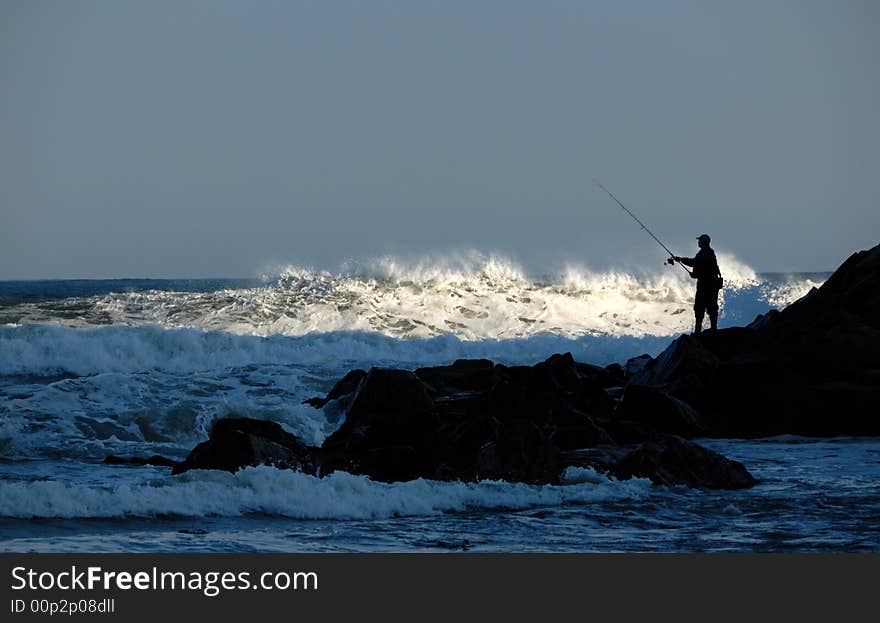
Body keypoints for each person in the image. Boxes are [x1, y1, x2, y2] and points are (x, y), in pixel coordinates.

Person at [669, 234, 722, 334]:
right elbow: (695, 263)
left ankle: (698, 331)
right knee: (712, 307)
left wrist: (694, 274)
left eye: (699, 241)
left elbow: (695, 264)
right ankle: (713, 328)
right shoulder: (710, 253)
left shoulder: (703, 254)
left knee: (699, 307)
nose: (698, 242)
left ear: (703, 242)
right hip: (713, 284)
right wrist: (680, 259)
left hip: (705, 285)